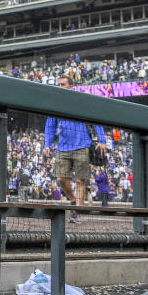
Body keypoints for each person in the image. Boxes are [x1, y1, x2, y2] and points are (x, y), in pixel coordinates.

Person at [43, 76, 107, 223]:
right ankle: (73, 200)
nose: (60, 86)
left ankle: (76, 212)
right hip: (63, 147)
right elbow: (50, 126)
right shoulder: (55, 104)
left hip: (82, 146)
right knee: (60, 179)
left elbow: (96, 119)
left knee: (80, 181)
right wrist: (47, 144)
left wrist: (102, 140)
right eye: (58, 84)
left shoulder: (81, 101)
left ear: (71, 86)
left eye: (63, 84)